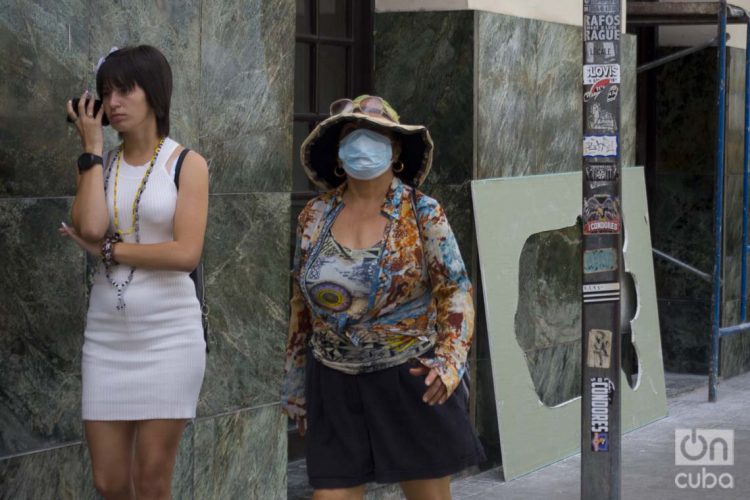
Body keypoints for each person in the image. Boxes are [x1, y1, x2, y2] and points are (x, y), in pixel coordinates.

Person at [282, 95, 484, 500]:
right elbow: (300, 304)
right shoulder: (314, 215)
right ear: (339, 154)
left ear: (395, 150)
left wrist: (450, 362)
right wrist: (295, 380)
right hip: (332, 378)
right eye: (353, 135)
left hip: (407, 377)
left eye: (375, 135)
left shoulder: (423, 212)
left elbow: (456, 288)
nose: (362, 145)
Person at [61, 45, 208, 500]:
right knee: (109, 482)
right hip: (107, 337)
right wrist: (91, 148)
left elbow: (185, 254)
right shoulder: (99, 168)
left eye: (125, 90)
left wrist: (110, 250)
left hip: (169, 338)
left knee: (149, 481)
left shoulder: (187, 164)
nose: (114, 102)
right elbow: (87, 226)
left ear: (155, 94)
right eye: (107, 93)